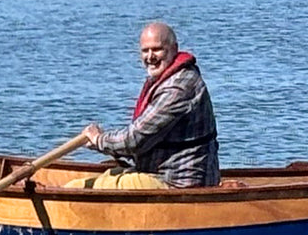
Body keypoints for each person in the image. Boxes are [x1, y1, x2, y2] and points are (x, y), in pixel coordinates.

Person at [68, 22, 220, 190]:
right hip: (157, 173)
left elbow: (135, 139)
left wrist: (99, 139)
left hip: (177, 182)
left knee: (76, 188)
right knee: (106, 175)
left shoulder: (179, 87)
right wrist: (105, 144)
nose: (150, 56)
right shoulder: (166, 79)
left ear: (174, 49)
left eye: (157, 49)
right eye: (145, 50)